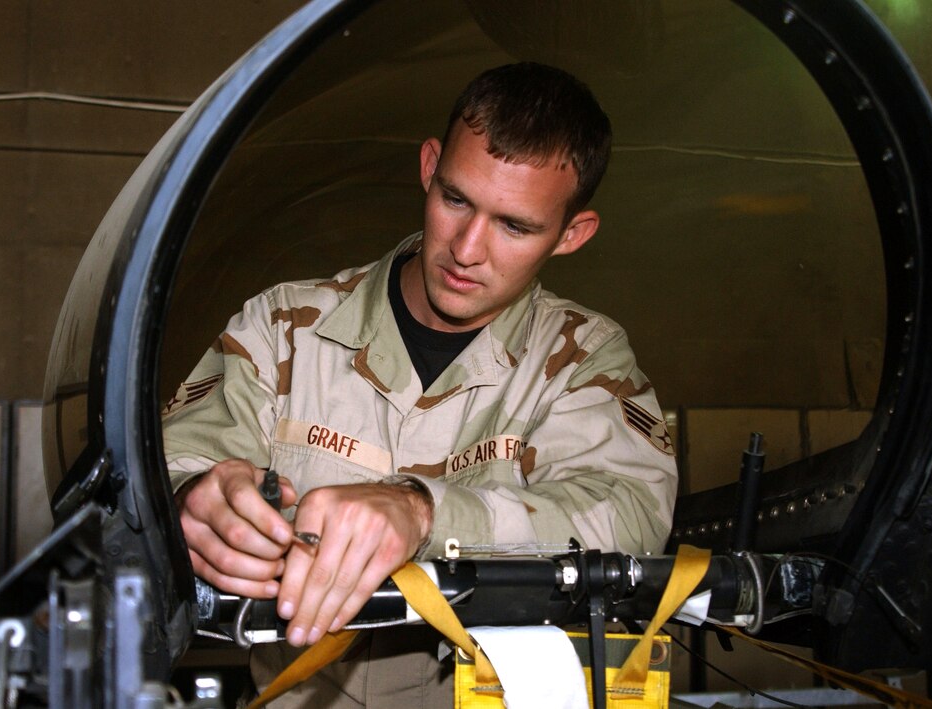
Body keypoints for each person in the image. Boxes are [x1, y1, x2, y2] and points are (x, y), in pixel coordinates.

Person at [161, 62, 677, 707]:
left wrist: (422, 512)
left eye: (514, 226)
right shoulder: (284, 328)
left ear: (571, 234)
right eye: (456, 200)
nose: (467, 249)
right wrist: (191, 499)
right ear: (430, 167)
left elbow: (630, 515)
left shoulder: (582, 359)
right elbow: (167, 467)